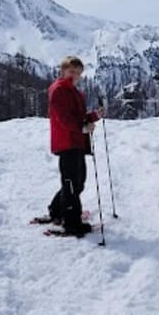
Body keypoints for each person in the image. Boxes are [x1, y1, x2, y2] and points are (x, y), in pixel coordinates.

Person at [46, 55, 105, 236]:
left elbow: (77, 117)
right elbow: (64, 118)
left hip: (76, 142)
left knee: (76, 182)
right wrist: (82, 127)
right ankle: (71, 223)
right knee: (72, 183)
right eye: (72, 71)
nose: (75, 76)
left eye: (78, 73)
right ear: (63, 71)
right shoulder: (58, 90)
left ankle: (57, 211)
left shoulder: (74, 92)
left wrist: (94, 116)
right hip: (67, 142)